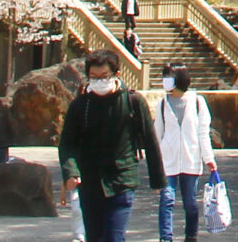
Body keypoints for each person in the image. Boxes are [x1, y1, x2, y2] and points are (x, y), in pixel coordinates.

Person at [59, 49, 166, 242]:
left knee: (114, 237)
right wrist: (70, 172)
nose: (99, 81)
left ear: (116, 74)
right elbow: (67, 142)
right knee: (94, 237)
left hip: (121, 179)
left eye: (104, 76)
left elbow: (150, 140)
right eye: (94, 77)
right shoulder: (80, 105)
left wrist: (157, 180)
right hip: (90, 182)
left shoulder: (132, 101)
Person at [155, 64, 215, 242]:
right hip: (168, 161)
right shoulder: (162, 104)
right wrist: (155, 165)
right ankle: (166, 238)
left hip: (191, 159)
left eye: (169, 77)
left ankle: (191, 236)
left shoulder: (197, 102)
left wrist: (209, 159)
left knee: (190, 203)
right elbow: (157, 133)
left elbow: (203, 133)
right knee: (167, 200)